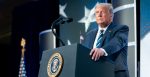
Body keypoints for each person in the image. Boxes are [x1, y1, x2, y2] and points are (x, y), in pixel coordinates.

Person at [82, 3, 129, 77]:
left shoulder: (121, 29)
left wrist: (102, 50)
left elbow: (117, 42)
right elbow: (84, 54)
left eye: (102, 12)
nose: (99, 15)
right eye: (97, 12)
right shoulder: (89, 34)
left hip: (114, 73)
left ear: (111, 15)